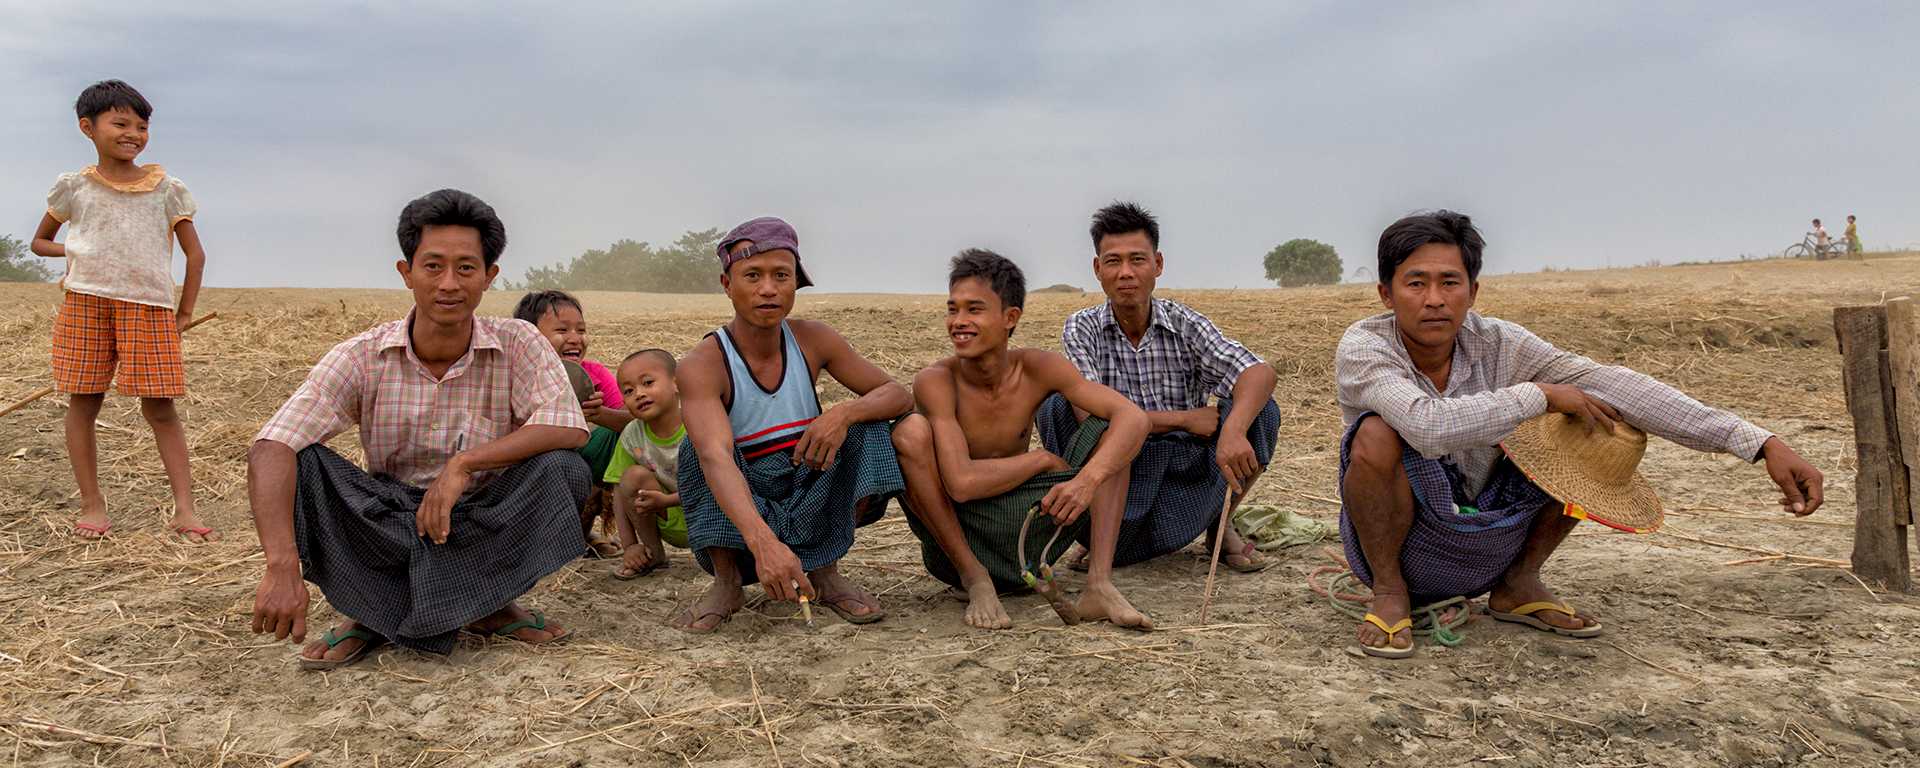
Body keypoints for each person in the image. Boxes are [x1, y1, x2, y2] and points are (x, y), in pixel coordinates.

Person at [1334, 210, 1825, 658]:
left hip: (1491, 533)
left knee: (1597, 421)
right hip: (1404, 538)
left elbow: (1619, 386)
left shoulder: (1498, 342)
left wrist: (1761, 444)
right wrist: (1540, 395)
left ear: (1474, 291)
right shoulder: (1365, 347)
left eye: (1450, 282)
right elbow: (1427, 426)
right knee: (1377, 433)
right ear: (1386, 293)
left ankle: (1518, 583)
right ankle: (1389, 593)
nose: (1435, 300)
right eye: (1416, 283)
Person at [248, 189, 592, 669]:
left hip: (482, 515)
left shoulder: (518, 341)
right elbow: (272, 444)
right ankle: (380, 611)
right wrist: (280, 566)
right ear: (406, 272)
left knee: (563, 468)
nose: (449, 283)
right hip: (387, 519)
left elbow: (568, 426)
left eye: (466, 268)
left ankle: (477, 607)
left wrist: (465, 465)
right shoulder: (362, 354)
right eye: (433, 266)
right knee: (303, 462)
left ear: (490, 276)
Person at [672, 216, 912, 632]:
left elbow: (898, 394)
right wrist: (763, 544)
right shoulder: (703, 364)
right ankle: (728, 583)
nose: (769, 289)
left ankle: (826, 573)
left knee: (869, 429)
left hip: (807, 479)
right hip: (746, 494)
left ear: (795, 284)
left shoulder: (813, 339)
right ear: (727, 285)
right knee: (699, 449)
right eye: (753, 276)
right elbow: (715, 457)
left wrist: (841, 414)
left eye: (781, 275)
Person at [895, 250, 1152, 630]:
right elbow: (962, 484)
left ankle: (1099, 583)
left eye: (974, 310)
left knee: (1110, 433)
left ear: (1010, 318)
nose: (959, 322)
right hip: (960, 533)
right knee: (908, 431)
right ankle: (977, 579)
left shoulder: (1038, 368)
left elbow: (1134, 417)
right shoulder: (937, 381)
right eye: (953, 310)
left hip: (1024, 524)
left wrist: (1086, 481)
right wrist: (1041, 460)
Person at [1049, 202, 1282, 572]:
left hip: (1182, 463)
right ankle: (1097, 533)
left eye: (1137, 260)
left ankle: (1220, 523)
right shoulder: (1082, 328)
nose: (1126, 273)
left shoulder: (1183, 321)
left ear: (1157, 264)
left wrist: (1233, 430)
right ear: (1097, 269)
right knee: (1056, 406)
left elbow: (1259, 372)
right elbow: (1093, 415)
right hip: (1117, 462)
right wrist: (1186, 419)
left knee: (1261, 410)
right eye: (1113, 261)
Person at [29, 79, 214, 542]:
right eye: (121, 122)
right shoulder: (74, 188)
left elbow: (195, 254)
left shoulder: (166, 189)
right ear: (87, 127)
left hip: (148, 308)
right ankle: (93, 506)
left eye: (142, 124)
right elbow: (40, 241)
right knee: (84, 402)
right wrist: (76, 250)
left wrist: (185, 310)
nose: (134, 132)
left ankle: (185, 510)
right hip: (85, 304)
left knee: (161, 408)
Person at [514, 289, 629, 557]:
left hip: (585, 468)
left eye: (581, 329)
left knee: (617, 436)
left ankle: (580, 532)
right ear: (530, 338)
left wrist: (600, 415)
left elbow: (633, 421)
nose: (575, 338)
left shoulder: (595, 375)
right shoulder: (518, 375)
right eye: (562, 330)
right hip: (533, 470)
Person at [604, 348, 689, 579]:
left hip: (709, 516)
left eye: (648, 382)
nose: (639, 394)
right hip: (664, 517)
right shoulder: (632, 435)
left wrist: (668, 500)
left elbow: (718, 485)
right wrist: (630, 545)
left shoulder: (697, 423)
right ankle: (654, 554)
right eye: (629, 391)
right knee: (631, 477)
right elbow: (619, 492)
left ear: (676, 383)